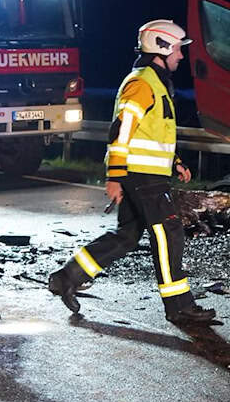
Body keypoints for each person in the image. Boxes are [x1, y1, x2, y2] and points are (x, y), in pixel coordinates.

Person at [48, 19, 217, 327]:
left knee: (127, 236)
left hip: (147, 173)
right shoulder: (142, 83)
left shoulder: (154, 81)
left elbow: (154, 132)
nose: (181, 55)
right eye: (178, 49)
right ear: (162, 48)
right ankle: (179, 306)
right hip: (142, 176)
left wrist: (174, 161)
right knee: (169, 234)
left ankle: (67, 277)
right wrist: (114, 175)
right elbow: (120, 131)